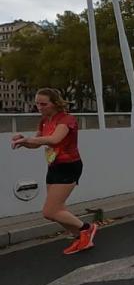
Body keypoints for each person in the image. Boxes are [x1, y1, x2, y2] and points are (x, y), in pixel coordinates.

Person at [10, 88, 96, 255]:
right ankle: (80, 237)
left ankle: (87, 228)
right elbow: (37, 143)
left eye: (44, 104)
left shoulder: (66, 119)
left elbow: (55, 139)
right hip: (53, 166)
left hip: (69, 166)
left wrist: (30, 139)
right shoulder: (44, 121)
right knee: (56, 211)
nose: (39, 107)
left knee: (50, 211)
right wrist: (23, 141)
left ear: (55, 103)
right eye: (37, 103)